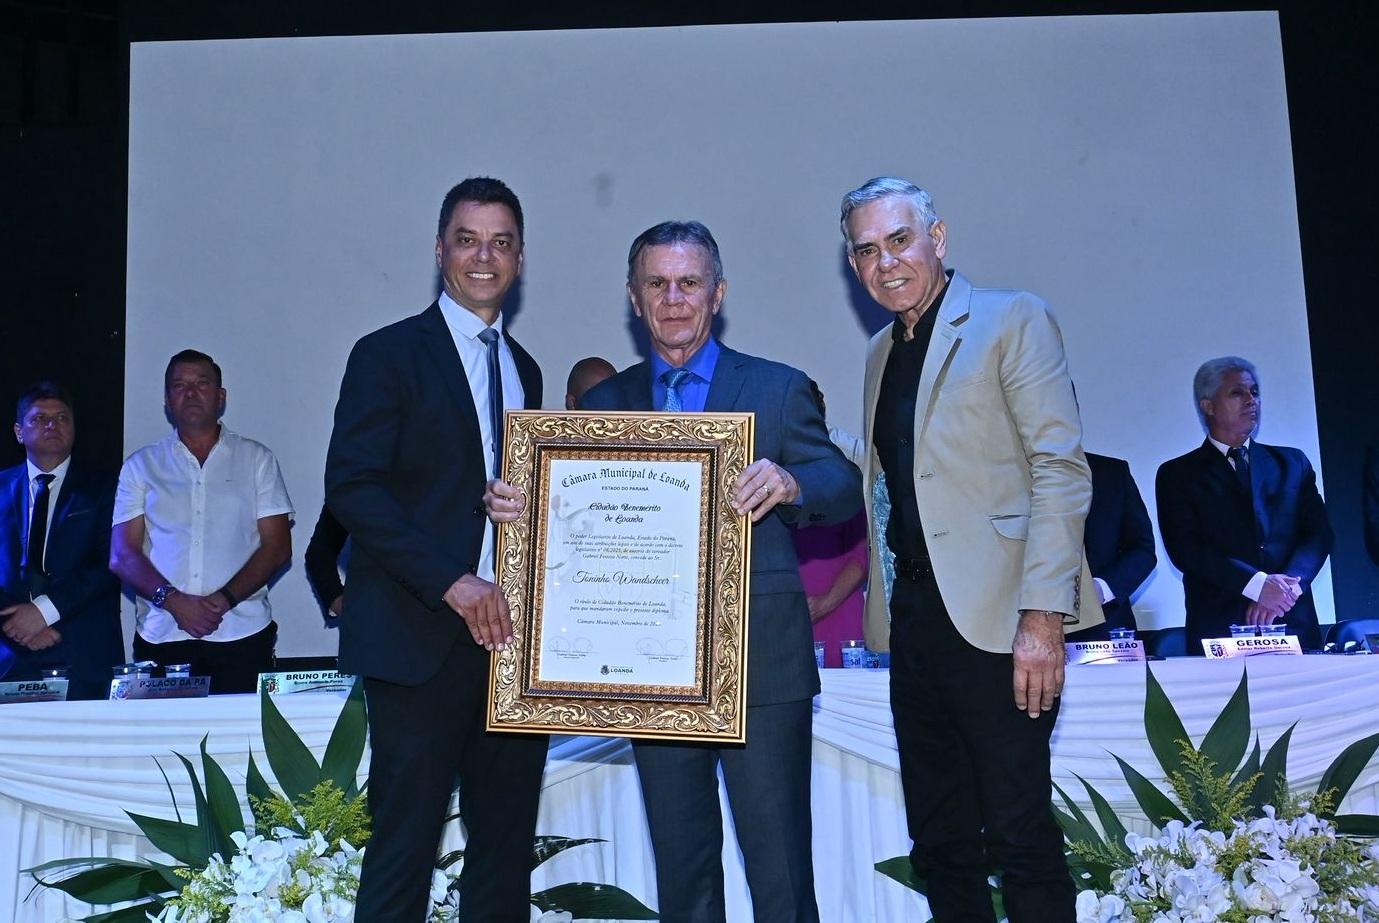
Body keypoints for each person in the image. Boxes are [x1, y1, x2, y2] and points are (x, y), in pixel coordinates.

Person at [488, 220, 862, 922]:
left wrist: (790, 481)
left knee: (779, 867)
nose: (673, 299)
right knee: (683, 874)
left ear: (716, 293)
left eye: (688, 282)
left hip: (761, 669)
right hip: (651, 672)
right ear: (633, 299)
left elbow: (843, 484)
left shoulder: (776, 388)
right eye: (656, 284)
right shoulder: (604, 405)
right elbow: (572, 529)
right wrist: (517, 506)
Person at [844, 176, 1100, 922]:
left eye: (898, 240)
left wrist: (1043, 614)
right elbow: (894, 474)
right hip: (913, 626)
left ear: (938, 238)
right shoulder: (876, 353)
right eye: (865, 250)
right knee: (939, 844)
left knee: (1019, 835)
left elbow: (1060, 466)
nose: (885, 262)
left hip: (1002, 626)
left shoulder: (1011, 319)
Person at [325, 177, 549, 922]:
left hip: (514, 646)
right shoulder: (387, 354)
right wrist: (453, 581)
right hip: (418, 637)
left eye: (501, 242)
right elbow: (352, 488)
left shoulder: (528, 370)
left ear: (520, 258)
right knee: (403, 847)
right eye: (467, 239)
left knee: (505, 848)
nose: (483, 257)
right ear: (439, 250)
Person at [110, 350, 293, 693]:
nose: (190, 393)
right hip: (162, 634)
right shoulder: (140, 465)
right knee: (162, 746)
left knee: (243, 744)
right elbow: (123, 555)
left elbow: (278, 547)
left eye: (201, 384)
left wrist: (224, 600)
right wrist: (175, 602)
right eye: (179, 385)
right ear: (167, 400)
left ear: (220, 397)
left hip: (242, 632)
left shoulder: (257, 459)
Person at [1156, 356, 1332, 651]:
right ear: (1208, 406)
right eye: (1237, 393)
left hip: (1291, 620)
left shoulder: (1291, 462)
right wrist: (1257, 585)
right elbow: (1186, 549)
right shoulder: (1178, 474)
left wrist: (1285, 591)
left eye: (1255, 392)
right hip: (1219, 624)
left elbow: (1318, 534)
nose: (1251, 401)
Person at [0, 382, 122, 699]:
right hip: (8, 653)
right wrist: (17, 625)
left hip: (84, 653)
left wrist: (43, 612)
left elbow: (111, 563)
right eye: (40, 419)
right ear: (18, 431)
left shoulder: (106, 487)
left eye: (62, 418)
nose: (52, 425)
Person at [794, 381, 868, 667]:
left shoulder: (845, 465)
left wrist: (824, 603)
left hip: (840, 615)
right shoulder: (764, 465)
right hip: (782, 619)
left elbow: (862, 553)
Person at [1065, 452, 1157, 642]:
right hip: (1011, 634)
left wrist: (1100, 589)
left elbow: (1142, 550)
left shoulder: (1111, 472)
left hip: (1105, 630)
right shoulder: (1005, 473)